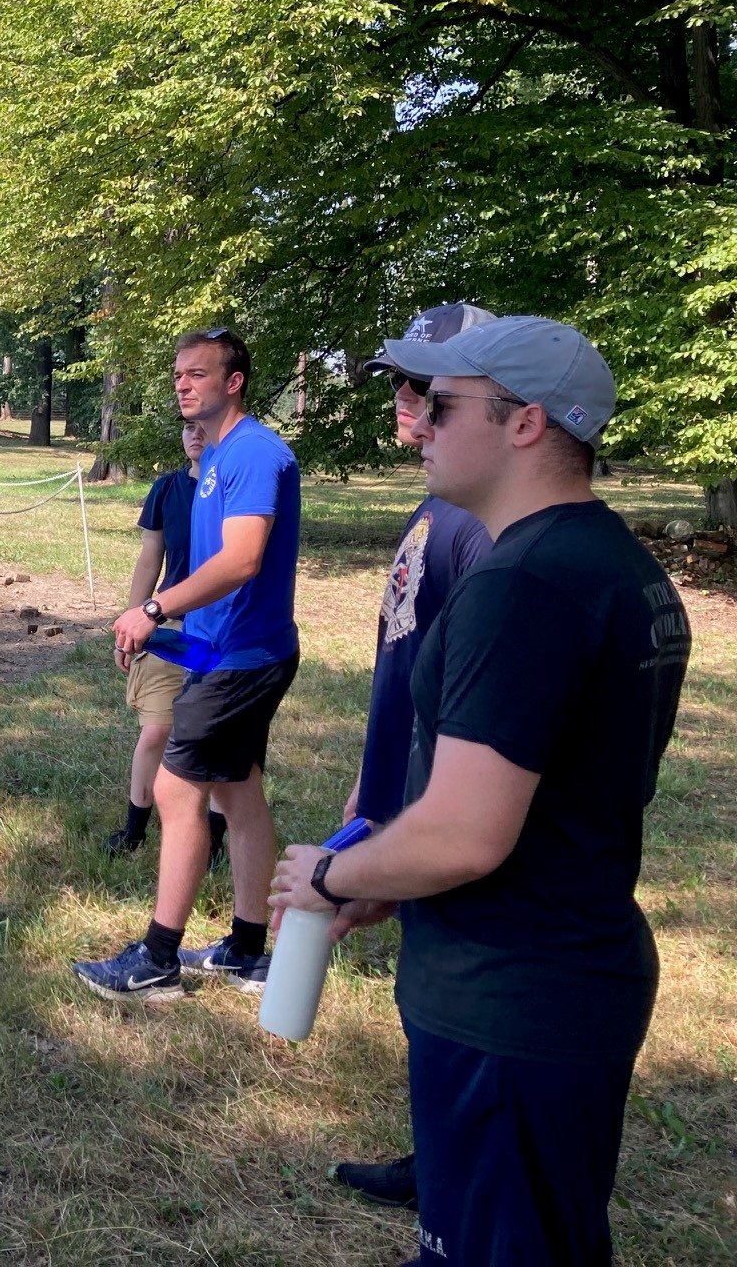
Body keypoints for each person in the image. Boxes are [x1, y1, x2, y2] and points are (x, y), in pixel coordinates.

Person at [271, 317, 690, 1266]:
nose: (416, 422)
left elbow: (467, 835)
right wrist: (387, 876)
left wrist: (333, 877)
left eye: (439, 401)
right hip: (562, 980)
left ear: (525, 424)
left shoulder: (526, 584)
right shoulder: (615, 565)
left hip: (512, 999)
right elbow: (550, 792)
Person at [328, 302, 496, 1213]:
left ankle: (460, 1180)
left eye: (422, 386)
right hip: (402, 793)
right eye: (397, 382)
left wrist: (416, 814)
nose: (401, 401)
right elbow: (405, 669)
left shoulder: (482, 531)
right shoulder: (440, 507)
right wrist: (370, 787)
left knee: (458, 1000)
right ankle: (440, 1160)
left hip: (450, 811)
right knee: (426, 998)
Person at [75, 328, 301, 1000]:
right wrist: (170, 635)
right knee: (238, 792)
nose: (182, 384)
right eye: (178, 374)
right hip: (222, 650)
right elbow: (212, 576)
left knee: (178, 791)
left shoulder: (253, 453)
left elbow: (241, 561)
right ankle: (247, 951)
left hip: (243, 658)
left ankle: (156, 959)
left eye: (197, 374)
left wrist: (150, 610)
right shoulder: (216, 458)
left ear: (233, 382)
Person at [108, 419, 209, 856]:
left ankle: (216, 839)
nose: (194, 434)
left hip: (224, 630)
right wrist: (131, 622)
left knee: (213, 739)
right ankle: (134, 829)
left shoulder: (238, 489)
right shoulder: (167, 488)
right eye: (187, 427)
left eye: (203, 426)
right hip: (169, 628)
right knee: (155, 733)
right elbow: (150, 558)